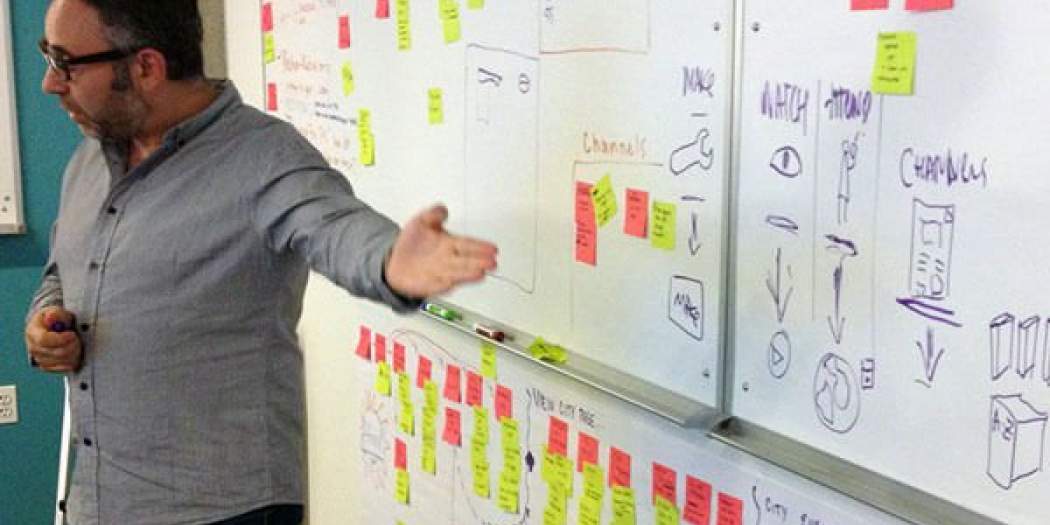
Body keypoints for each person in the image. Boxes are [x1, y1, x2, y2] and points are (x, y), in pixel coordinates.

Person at [22, 1, 498, 523]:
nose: (50, 83)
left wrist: (388, 262)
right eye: (49, 56)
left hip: (223, 511)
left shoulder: (264, 157)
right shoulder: (89, 159)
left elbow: (332, 224)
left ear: (146, 68)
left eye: (65, 63)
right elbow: (62, 269)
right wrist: (46, 318)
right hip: (101, 500)